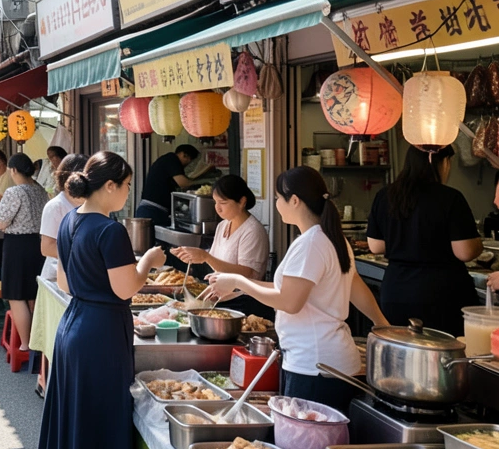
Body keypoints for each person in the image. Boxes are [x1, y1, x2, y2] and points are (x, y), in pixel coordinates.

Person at [36, 152, 167, 449]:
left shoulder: (69, 221)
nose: (128, 193)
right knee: (91, 426)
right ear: (109, 186)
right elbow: (127, 289)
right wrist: (147, 260)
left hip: (75, 325)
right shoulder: (110, 231)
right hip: (101, 334)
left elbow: (67, 282)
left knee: (78, 429)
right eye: (126, 185)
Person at [205, 167, 389, 413]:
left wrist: (239, 282)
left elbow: (289, 301)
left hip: (314, 366)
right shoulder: (331, 238)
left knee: (308, 445)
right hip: (328, 363)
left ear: (294, 200)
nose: (277, 205)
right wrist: (383, 324)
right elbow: (353, 286)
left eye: (279, 199)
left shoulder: (311, 243)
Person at [365, 146, 480, 335]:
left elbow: (376, 246)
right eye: (448, 162)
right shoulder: (451, 198)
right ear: (440, 163)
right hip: (442, 294)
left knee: (403, 354)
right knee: (443, 359)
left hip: (396, 291)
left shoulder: (385, 196)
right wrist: (477, 245)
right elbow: (465, 251)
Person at [171, 174, 270, 290]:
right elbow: (215, 262)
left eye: (223, 203)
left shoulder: (253, 231)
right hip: (220, 293)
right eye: (215, 202)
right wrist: (193, 255)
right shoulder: (222, 225)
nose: (217, 208)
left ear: (242, 202)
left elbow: (247, 273)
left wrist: (206, 257)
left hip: (243, 299)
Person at [0, 153, 50, 356]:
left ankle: (26, 343)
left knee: (16, 295)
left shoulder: (14, 192)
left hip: (17, 245)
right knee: (33, 294)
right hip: (38, 243)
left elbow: (1, 222)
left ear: (14, 170)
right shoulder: (41, 191)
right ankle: (40, 340)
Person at [135, 145, 210, 227]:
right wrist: (203, 181)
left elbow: (186, 182)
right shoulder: (172, 159)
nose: (188, 164)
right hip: (152, 210)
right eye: (189, 160)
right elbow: (183, 183)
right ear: (183, 155)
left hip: (154, 210)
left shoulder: (167, 161)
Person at [40, 155, 89, 281]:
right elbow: (47, 247)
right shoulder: (56, 206)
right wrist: (85, 255)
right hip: (57, 277)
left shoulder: (90, 204)